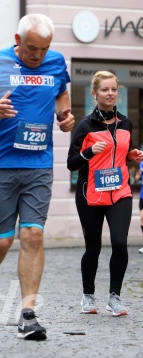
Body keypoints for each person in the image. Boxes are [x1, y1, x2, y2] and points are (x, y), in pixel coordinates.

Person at [0, 13, 75, 340]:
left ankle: (28, 314)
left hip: (38, 163)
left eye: (44, 48)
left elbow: (60, 94)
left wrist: (65, 116)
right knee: (2, 240)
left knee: (33, 236)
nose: (38, 55)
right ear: (17, 39)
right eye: (32, 48)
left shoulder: (55, 63)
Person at [67, 71, 143, 317]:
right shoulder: (84, 126)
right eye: (104, 90)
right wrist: (89, 152)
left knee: (120, 243)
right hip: (91, 194)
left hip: (119, 191)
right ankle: (88, 295)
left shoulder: (126, 123)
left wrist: (131, 156)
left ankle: (114, 297)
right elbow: (71, 163)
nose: (110, 94)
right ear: (94, 94)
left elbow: (122, 152)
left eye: (113, 89)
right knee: (93, 247)